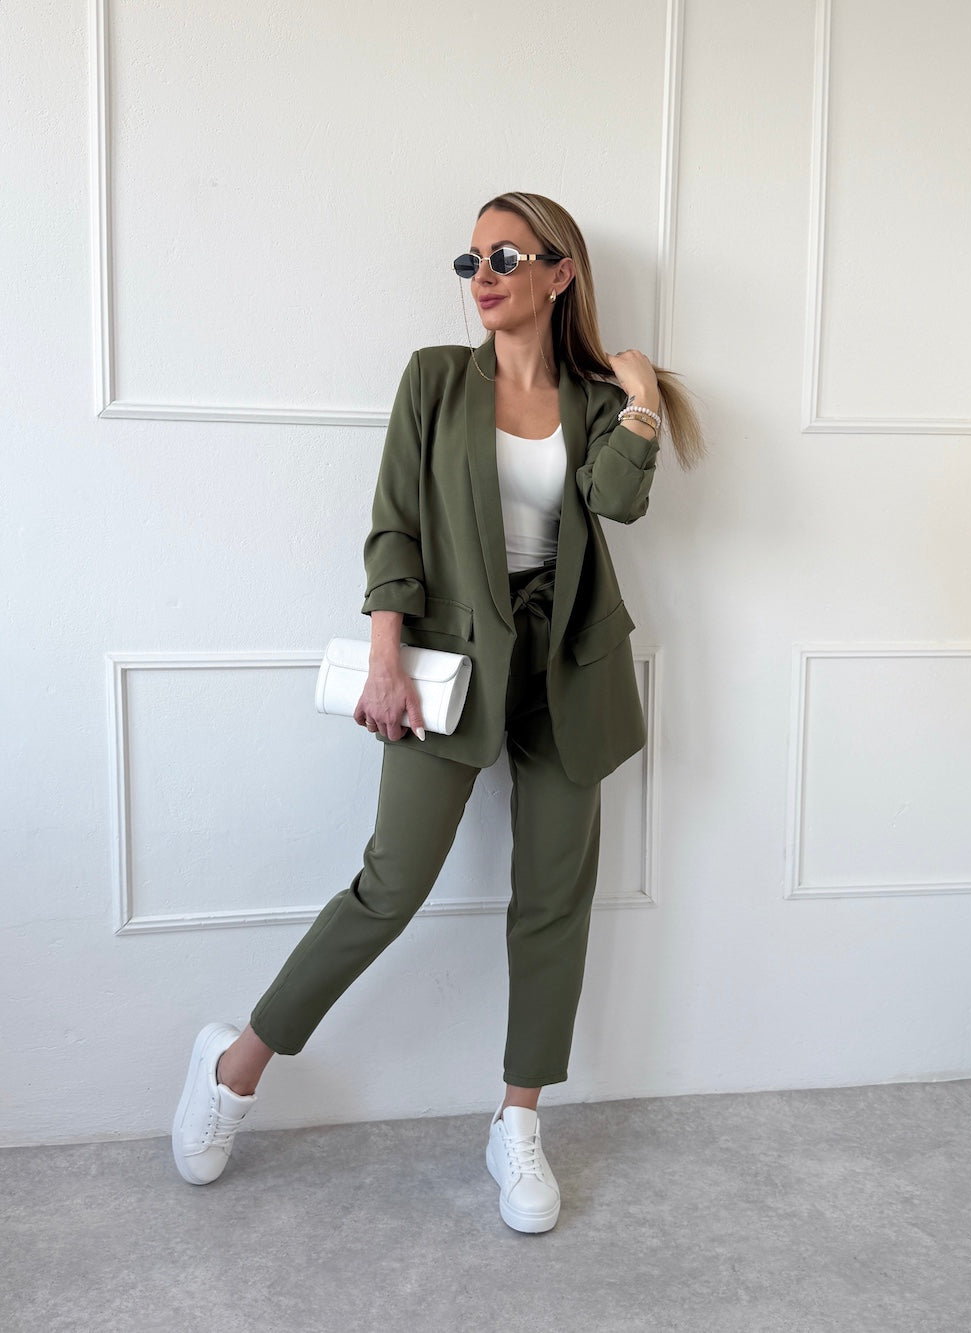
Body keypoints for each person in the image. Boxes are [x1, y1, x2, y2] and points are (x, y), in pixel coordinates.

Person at [171, 191, 705, 1233]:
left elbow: (618, 500)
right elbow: (395, 526)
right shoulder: (435, 379)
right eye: (470, 262)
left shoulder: (597, 399)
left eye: (505, 256)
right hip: (446, 666)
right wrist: (386, 657)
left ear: (560, 272)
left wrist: (640, 399)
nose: (482, 277)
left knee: (552, 898)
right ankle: (236, 1062)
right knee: (391, 883)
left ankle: (518, 1120)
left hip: (567, 667)